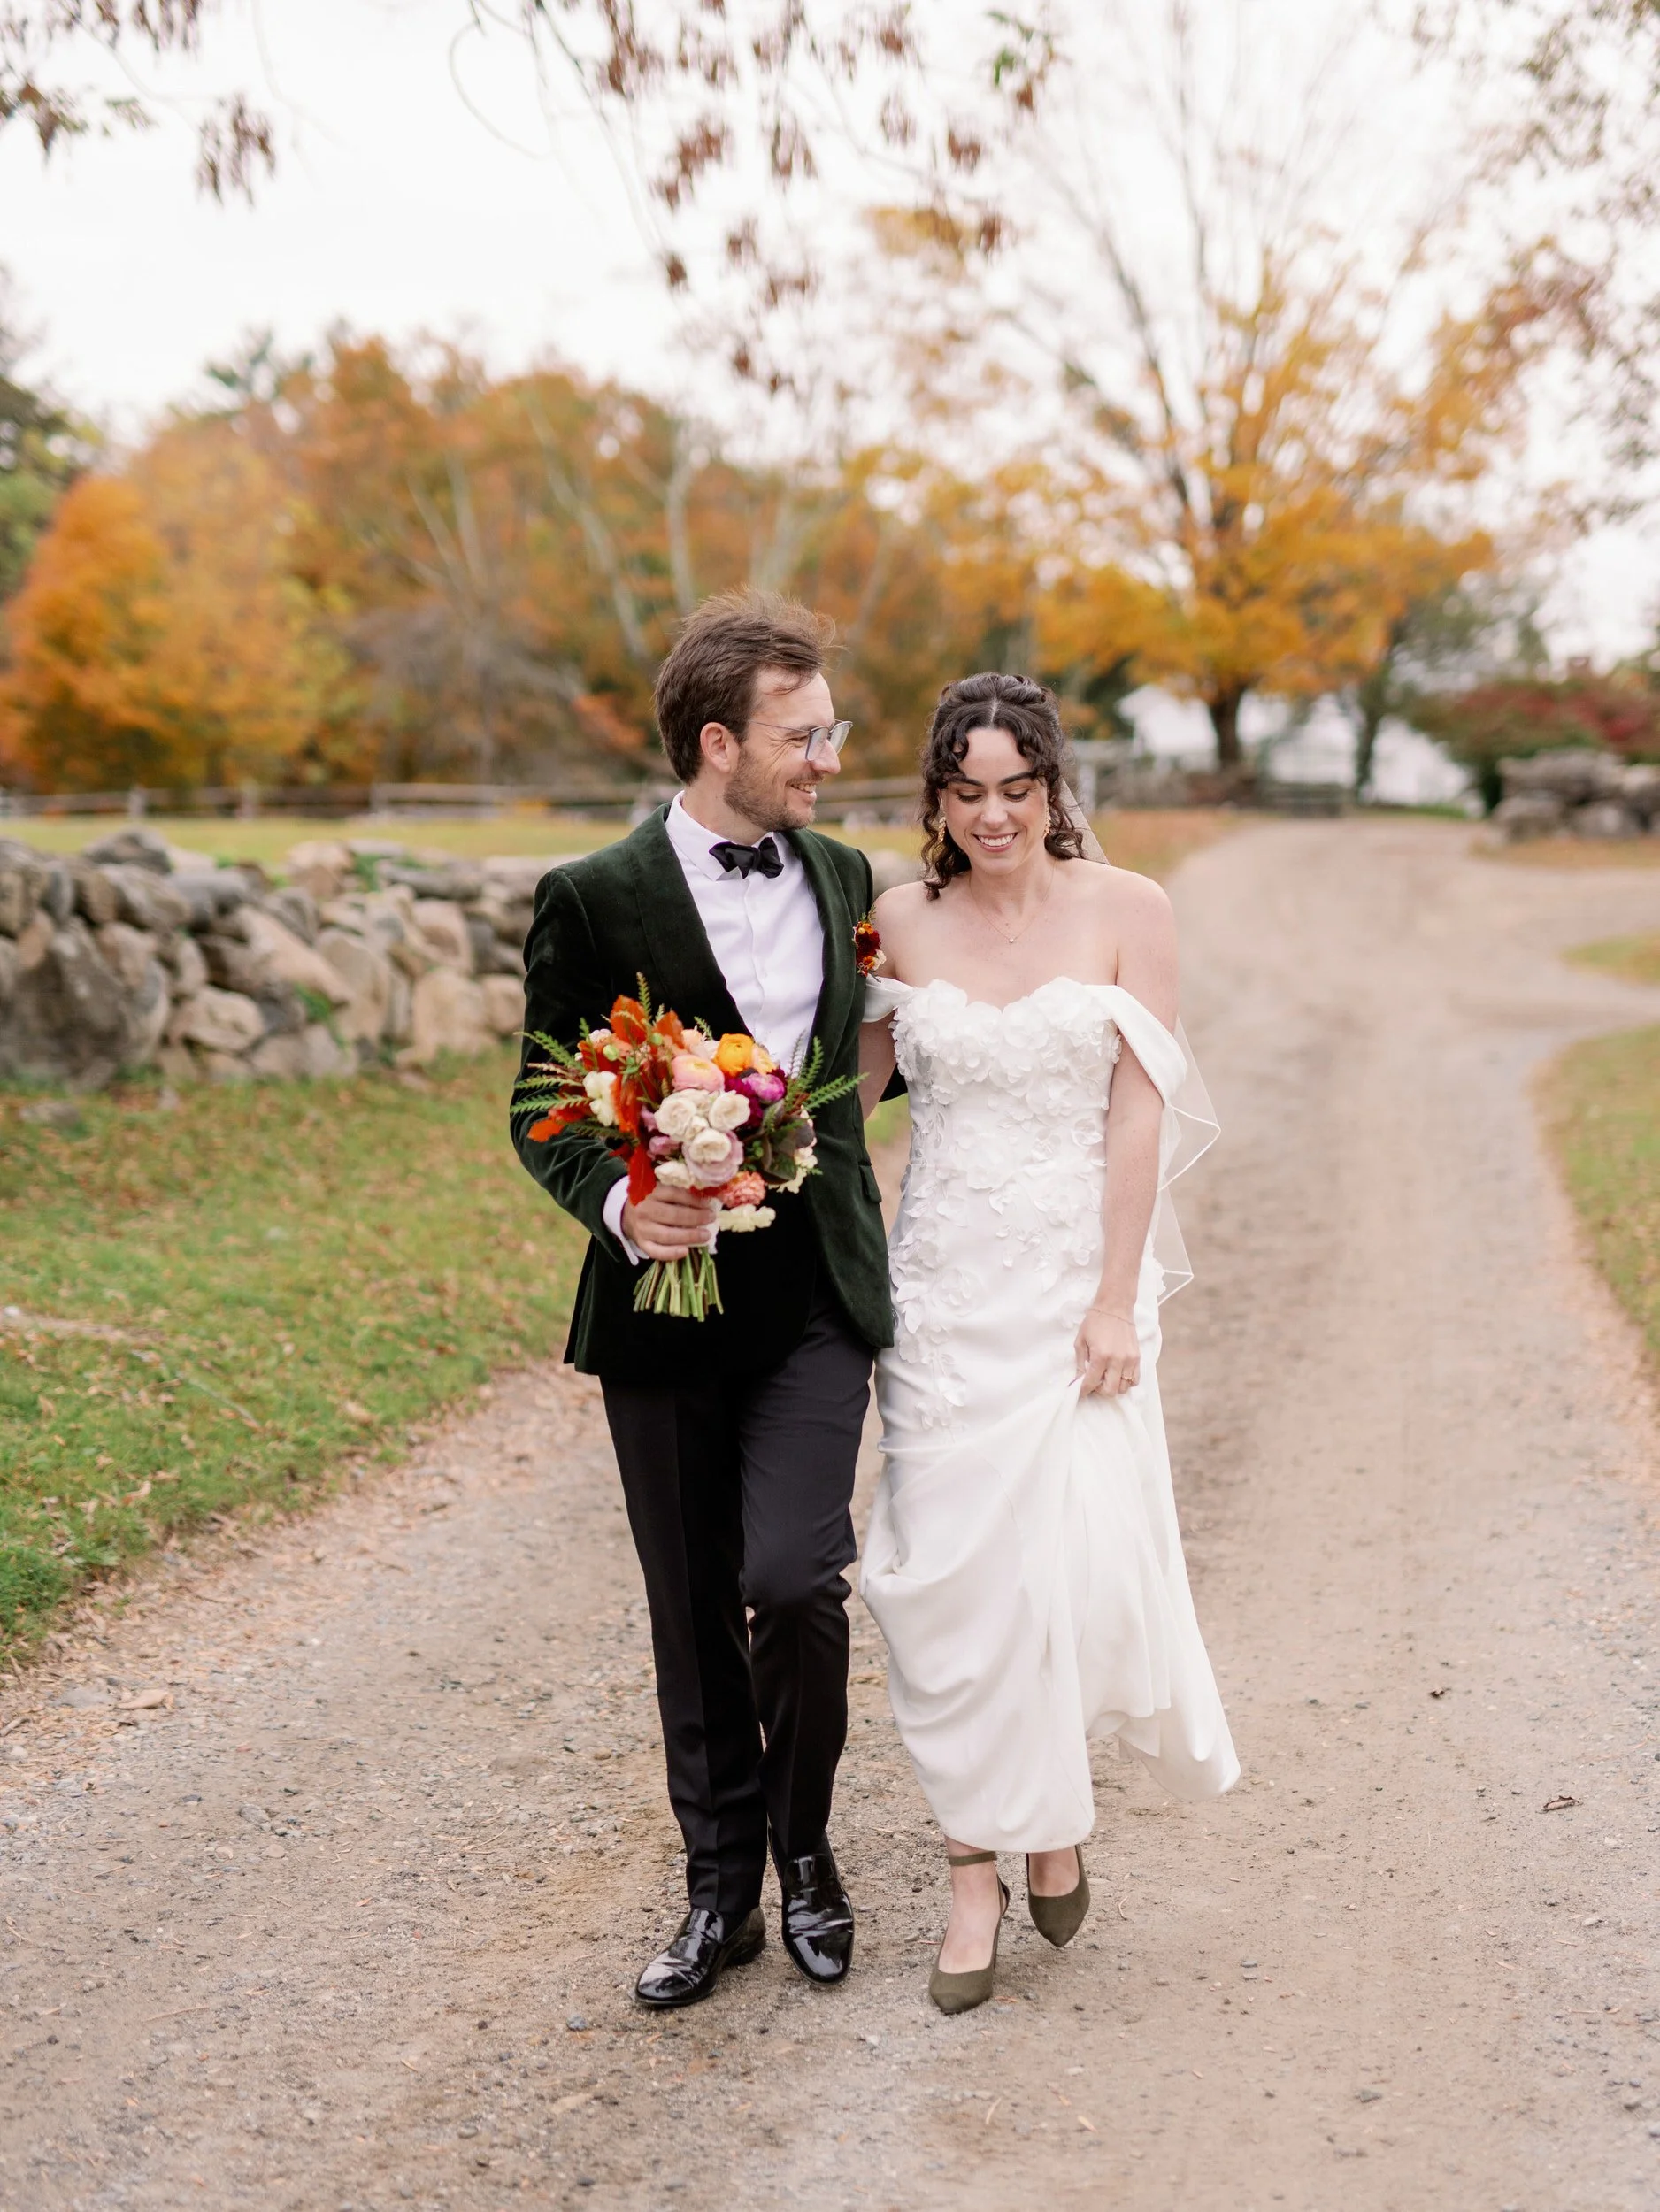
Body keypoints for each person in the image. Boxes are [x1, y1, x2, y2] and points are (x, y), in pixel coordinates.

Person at [512, 591, 893, 2008]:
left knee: (794, 1585)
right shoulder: (594, 897)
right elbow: (541, 1105)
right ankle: (718, 1890)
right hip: (663, 1311)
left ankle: (810, 1856)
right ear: (717, 740)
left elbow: (870, 1071)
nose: (827, 757)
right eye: (804, 735)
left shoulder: (848, 878)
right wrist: (625, 1200)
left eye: (831, 729)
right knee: (689, 1608)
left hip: (812, 1298)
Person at [857, 672, 1239, 2015]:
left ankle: (1052, 1814)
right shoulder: (898, 920)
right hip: (945, 1294)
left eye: (1017, 789)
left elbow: (1137, 1114)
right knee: (943, 1583)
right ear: (937, 798)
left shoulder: (1133, 912)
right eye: (967, 793)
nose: (993, 815)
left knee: (1066, 1572)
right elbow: (846, 1106)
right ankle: (974, 1868)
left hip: (1076, 1281)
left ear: (1051, 787)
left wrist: (1113, 1298)